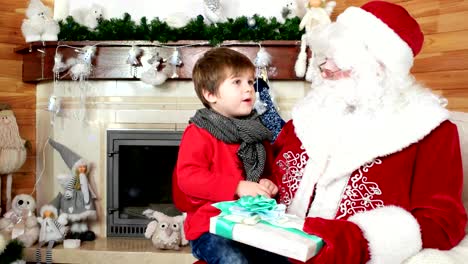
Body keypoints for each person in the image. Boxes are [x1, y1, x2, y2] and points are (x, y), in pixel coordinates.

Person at [272, 1, 467, 263]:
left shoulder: (431, 130)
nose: (325, 69)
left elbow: (443, 223)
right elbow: (269, 172)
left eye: (338, 61)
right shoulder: (306, 116)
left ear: (379, 66)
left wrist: (356, 241)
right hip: (269, 247)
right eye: (324, 58)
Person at [174, 47, 289, 264]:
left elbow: (269, 173)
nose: (248, 89)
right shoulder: (199, 132)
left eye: (250, 81)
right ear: (210, 94)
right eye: (237, 82)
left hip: (251, 222)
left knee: (282, 257)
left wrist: (269, 184)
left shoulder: (257, 131)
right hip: (211, 226)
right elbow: (188, 179)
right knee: (233, 260)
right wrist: (237, 186)